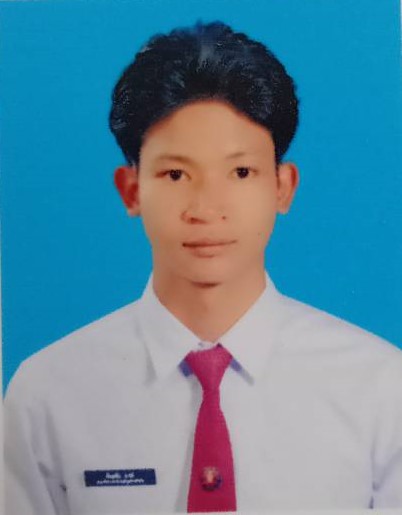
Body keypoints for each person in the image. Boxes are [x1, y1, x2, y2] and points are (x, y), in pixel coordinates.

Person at [4, 21, 402, 514]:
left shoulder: (379, 388)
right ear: (131, 190)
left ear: (283, 187)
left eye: (241, 172)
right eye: (176, 174)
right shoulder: (47, 394)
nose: (206, 208)